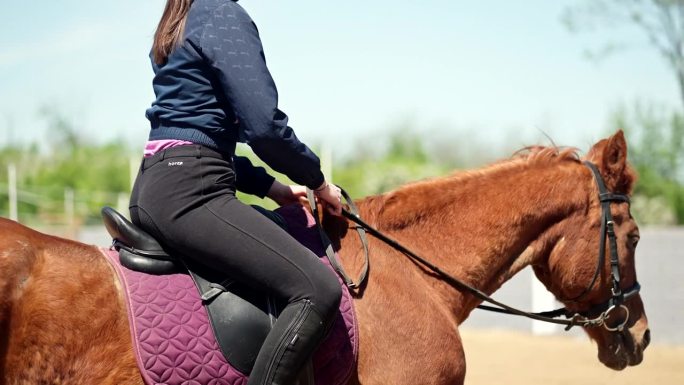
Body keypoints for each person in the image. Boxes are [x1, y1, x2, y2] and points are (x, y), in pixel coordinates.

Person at [128, 0, 343, 384]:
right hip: (191, 192)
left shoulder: (180, 19)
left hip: (155, 183)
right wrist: (318, 181)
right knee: (318, 287)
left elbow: (194, 136)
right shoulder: (223, 14)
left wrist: (271, 186)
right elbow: (265, 128)